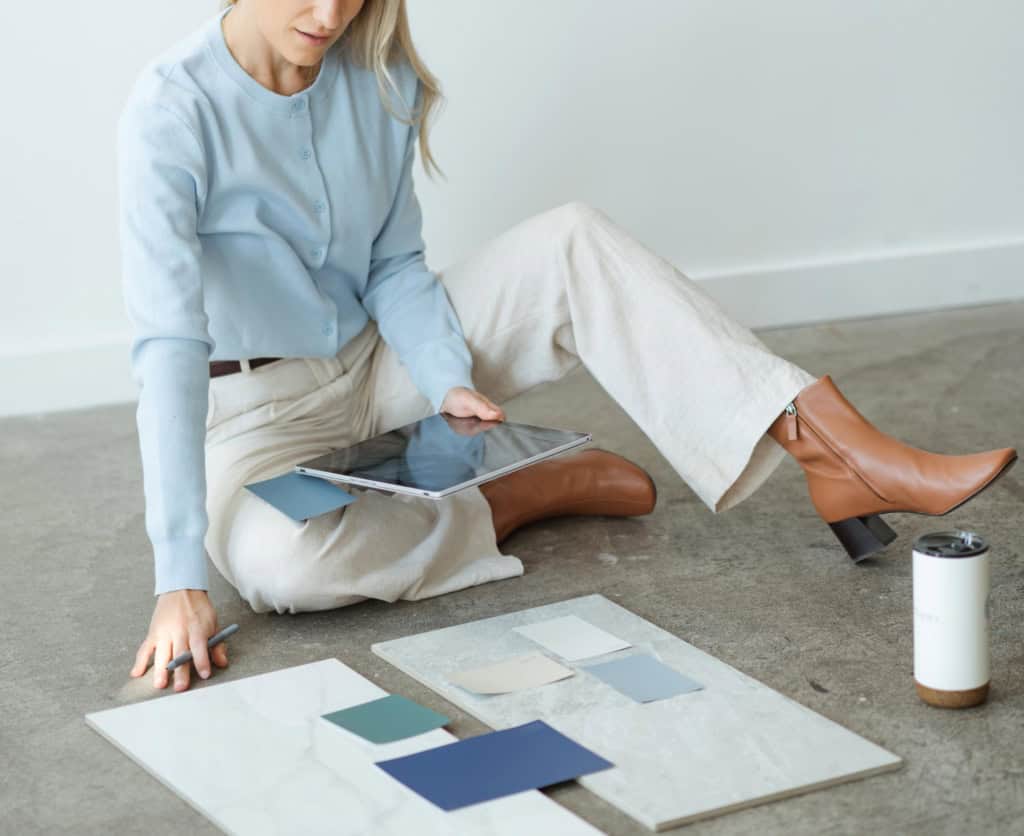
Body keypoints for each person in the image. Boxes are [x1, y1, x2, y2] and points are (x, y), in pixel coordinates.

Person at [120, 0, 1017, 694]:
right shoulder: (174, 109)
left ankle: (834, 448)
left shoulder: (374, 79)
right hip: (251, 418)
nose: (331, 13)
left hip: (377, 363)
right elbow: (166, 344)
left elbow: (395, 265)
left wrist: (443, 381)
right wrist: (177, 575)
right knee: (285, 568)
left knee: (572, 240)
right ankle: (511, 499)